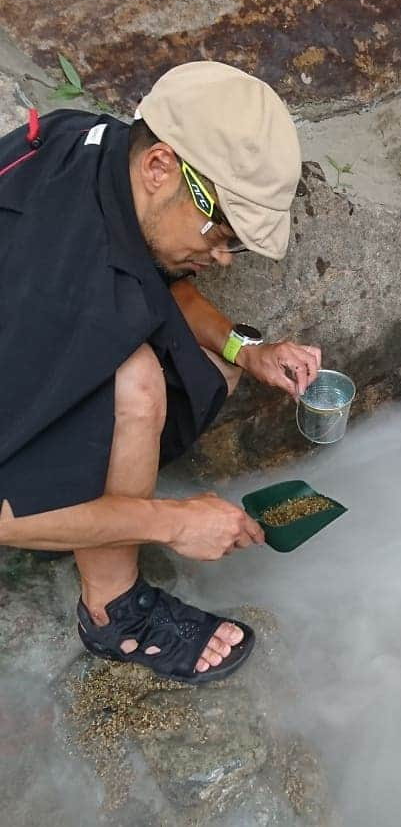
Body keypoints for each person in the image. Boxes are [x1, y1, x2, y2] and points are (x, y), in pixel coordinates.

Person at [0, 61, 321, 684]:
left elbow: (148, 275)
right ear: (160, 168)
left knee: (175, 369)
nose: (225, 259)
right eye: (222, 231)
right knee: (140, 383)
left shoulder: (93, 151)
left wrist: (243, 348)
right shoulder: (52, 292)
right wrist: (173, 522)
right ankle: (113, 613)